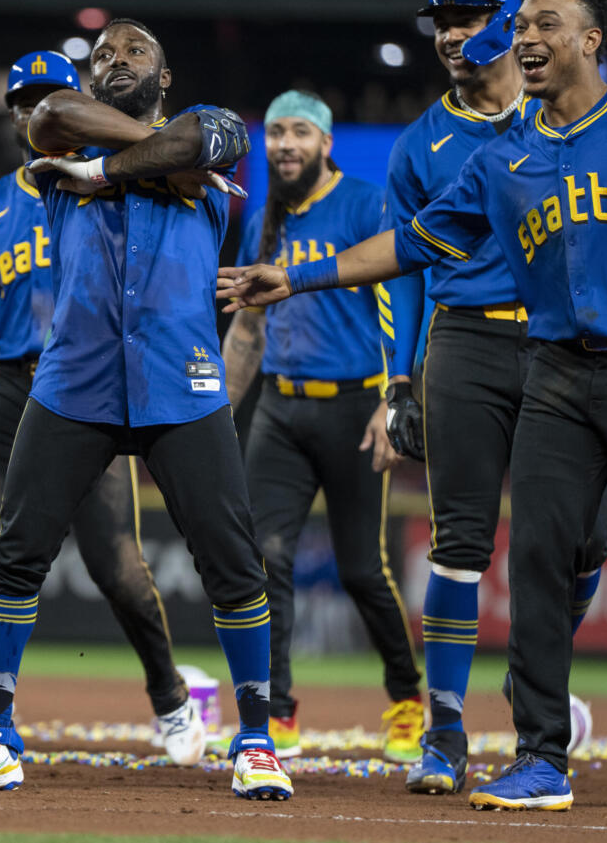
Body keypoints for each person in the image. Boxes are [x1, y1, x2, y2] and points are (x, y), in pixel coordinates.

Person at [220, 0, 607, 810]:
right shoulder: (504, 157)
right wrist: (295, 275)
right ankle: (541, 754)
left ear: (589, 39)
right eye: (525, 24)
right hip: (556, 368)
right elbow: (411, 245)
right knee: (533, 554)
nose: (527, 37)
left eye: (546, 23)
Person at [0, 22, 291, 800]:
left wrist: (111, 166)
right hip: (72, 380)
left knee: (233, 561)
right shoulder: (52, 150)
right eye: (103, 56)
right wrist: (155, 155)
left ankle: (255, 739)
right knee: (13, 554)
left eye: (133, 53)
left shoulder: (209, 134)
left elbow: (211, 139)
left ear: (167, 75)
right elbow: (55, 122)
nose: (116, 61)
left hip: (181, 382)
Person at [376, 0, 606, 795]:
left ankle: (530, 676)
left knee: (586, 542)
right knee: (460, 544)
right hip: (465, 345)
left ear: (513, 22)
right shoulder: (418, 145)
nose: (449, 31)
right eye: (441, 17)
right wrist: (399, 381)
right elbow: (404, 268)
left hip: (562, 346)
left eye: (469, 14)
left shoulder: (569, 118)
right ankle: (444, 734)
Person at [220, 89, 424, 764]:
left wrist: (393, 399)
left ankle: (407, 699)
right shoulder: (266, 217)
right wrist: (214, 414)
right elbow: (249, 323)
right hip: (279, 407)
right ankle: (275, 712)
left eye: (299, 131)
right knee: (264, 557)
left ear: (326, 143)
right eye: (275, 131)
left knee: (364, 570)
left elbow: (400, 293)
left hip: (354, 406)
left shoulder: (366, 203)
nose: (284, 144)